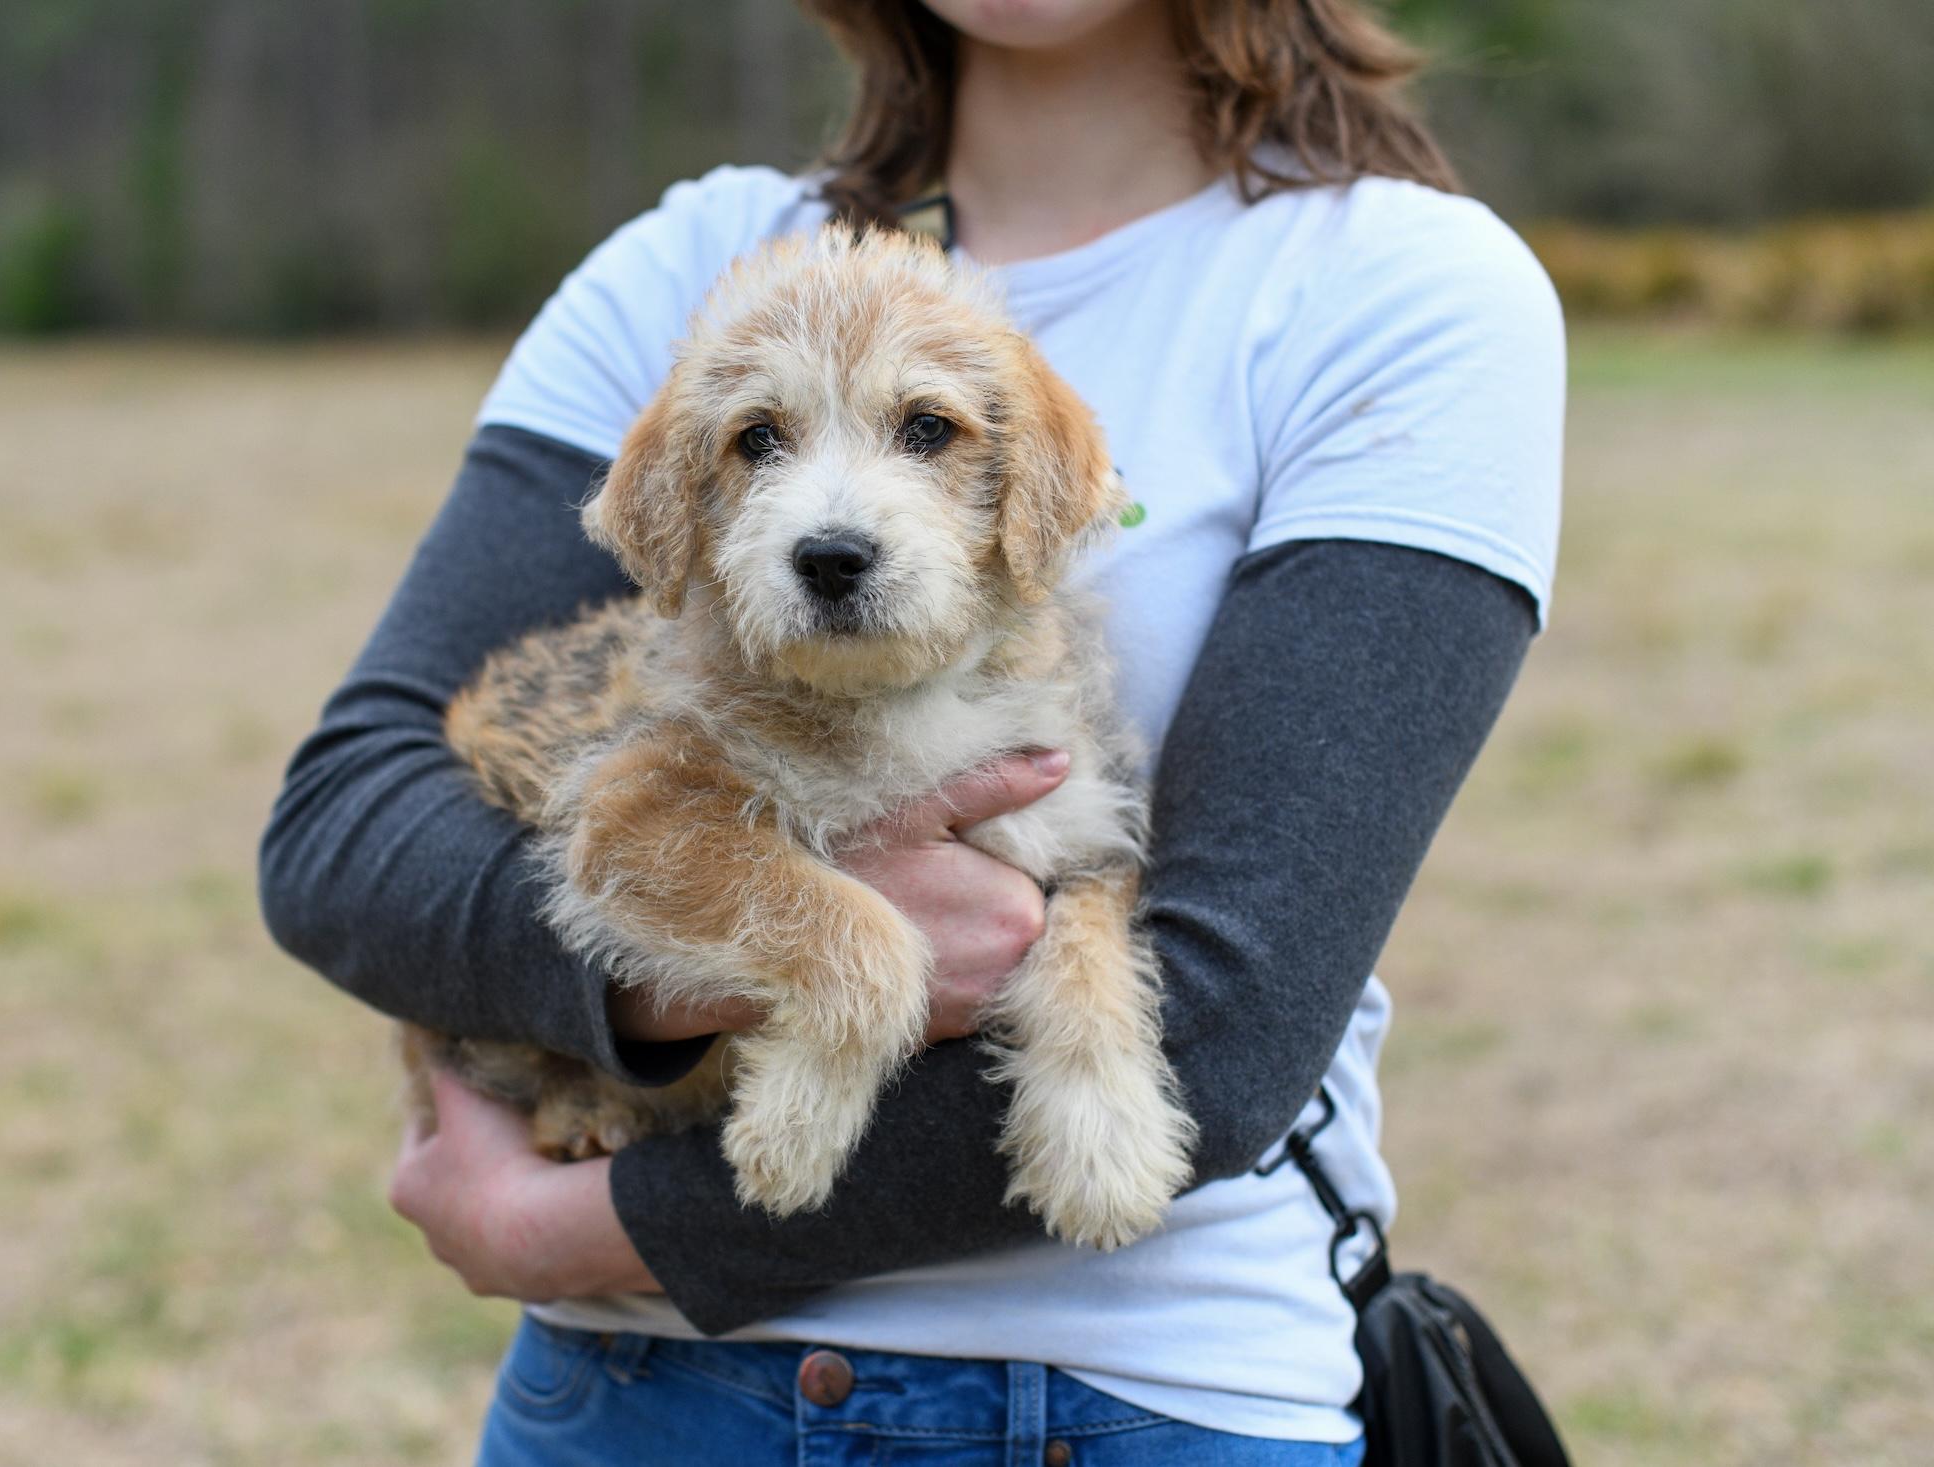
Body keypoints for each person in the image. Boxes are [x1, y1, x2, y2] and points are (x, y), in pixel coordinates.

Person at [258, 0, 1565, 1461]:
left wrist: (605, 1229)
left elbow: (1233, 1025)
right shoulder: (696, 269)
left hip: (1130, 1396)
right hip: (632, 1402)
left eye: (925, 433)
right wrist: (741, 968)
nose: (831, 513)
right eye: (764, 445)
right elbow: (347, 835)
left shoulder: (1402, 289)